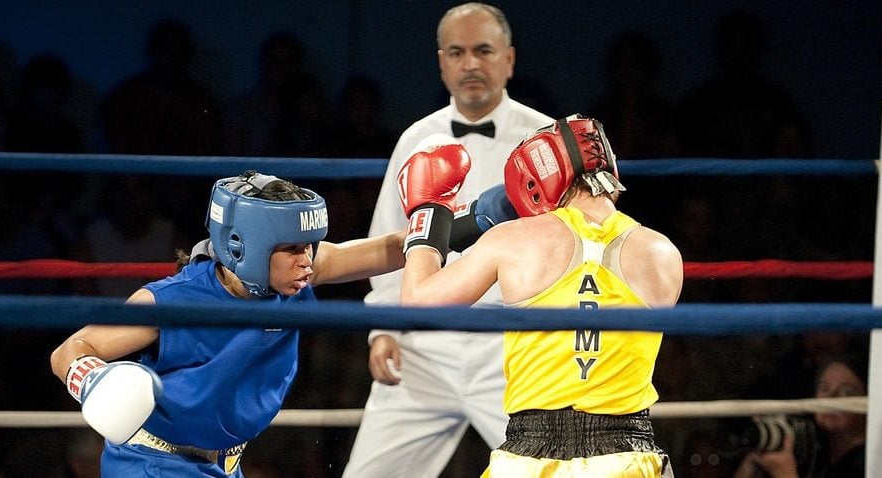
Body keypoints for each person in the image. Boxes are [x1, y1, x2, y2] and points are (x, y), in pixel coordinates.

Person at [49, 171, 410, 476]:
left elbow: (394, 248)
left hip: (224, 464)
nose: (307, 260)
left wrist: (451, 223)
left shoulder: (299, 272)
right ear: (243, 247)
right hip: (152, 464)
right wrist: (94, 380)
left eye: (310, 246)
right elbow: (71, 350)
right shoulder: (170, 301)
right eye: (292, 249)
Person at [396, 115, 683, 477]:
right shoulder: (663, 253)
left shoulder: (515, 239)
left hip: (527, 460)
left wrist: (428, 211)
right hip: (627, 458)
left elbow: (416, 308)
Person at [347, 3, 553, 476]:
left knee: (556, 469)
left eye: (483, 50)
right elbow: (387, 242)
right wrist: (383, 331)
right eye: (457, 53)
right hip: (424, 350)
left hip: (511, 346)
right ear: (442, 63)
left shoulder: (545, 140)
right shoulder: (416, 139)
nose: (471, 65)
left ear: (509, 59)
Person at [733, 352, 868, 478]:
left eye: (846, 392)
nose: (830, 399)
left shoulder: (868, 462)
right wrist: (751, 464)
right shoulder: (812, 453)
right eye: (824, 389)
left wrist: (784, 473)